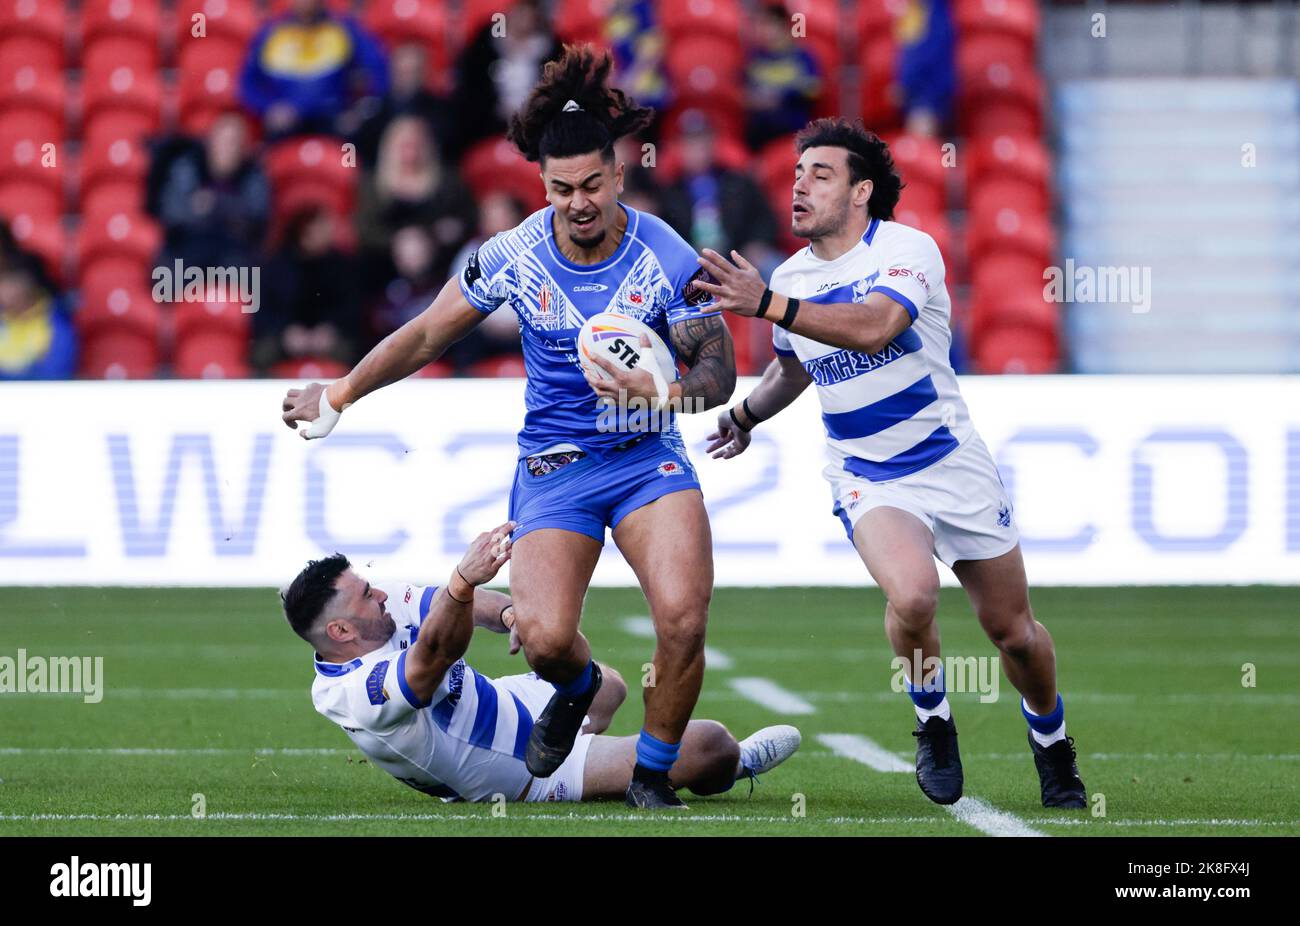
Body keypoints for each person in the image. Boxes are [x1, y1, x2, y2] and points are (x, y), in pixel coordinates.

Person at [280, 46, 737, 810]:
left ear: (619, 175)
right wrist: (343, 392)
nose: (578, 201)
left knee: (684, 620)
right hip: (557, 466)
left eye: (593, 184)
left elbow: (717, 380)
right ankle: (579, 687)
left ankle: (652, 775)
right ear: (542, 185)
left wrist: (660, 390)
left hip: (646, 454)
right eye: (561, 189)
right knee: (548, 638)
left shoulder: (666, 255)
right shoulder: (517, 254)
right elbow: (428, 334)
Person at [697, 118, 1087, 810]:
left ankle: (1051, 740)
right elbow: (795, 371)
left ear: (861, 192)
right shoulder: (790, 277)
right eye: (796, 173)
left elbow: (877, 324)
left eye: (821, 174)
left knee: (1014, 634)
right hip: (867, 473)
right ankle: (934, 721)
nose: (799, 185)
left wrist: (764, 303)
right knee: (911, 595)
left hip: (951, 463)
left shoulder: (907, 250)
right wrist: (745, 416)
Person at [281, 532, 801, 805]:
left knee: (609, 684)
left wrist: (509, 614)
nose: (379, 593)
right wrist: (463, 581)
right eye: (366, 596)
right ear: (341, 634)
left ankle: (593, 742)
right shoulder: (350, 693)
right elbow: (434, 654)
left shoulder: (375, 609)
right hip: (512, 772)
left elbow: (455, 603)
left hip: (505, 702)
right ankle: (731, 769)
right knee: (710, 744)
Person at [239, 0, 389, 138]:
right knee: (269, 157)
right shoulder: (271, 34)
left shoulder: (345, 30)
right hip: (285, 127)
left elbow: (379, 71)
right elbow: (247, 86)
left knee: (349, 155)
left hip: (334, 122)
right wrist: (269, 108)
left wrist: (358, 113)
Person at [152, 111, 270, 273]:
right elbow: (172, 212)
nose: (226, 149)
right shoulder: (188, 166)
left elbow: (256, 217)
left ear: (243, 148)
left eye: (233, 143)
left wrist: (214, 203)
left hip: (233, 253)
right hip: (188, 249)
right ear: (210, 142)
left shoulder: (253, 174)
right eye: (222, 141)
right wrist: (228, 211)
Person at [253, 205, 361, 373]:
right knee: (261, 354)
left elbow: (352, 308)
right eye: (318, 229)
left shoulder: (342, 265)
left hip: (329, 337)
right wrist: (285, 332)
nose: (327, 233)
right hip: (285, 336)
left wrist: (330, 329)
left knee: (355, 354)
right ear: (303, 234)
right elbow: (263, 311)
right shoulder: (276, 265)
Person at [744, 2, 822, 150]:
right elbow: (744, 95)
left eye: (772, 25)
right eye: (763, 26)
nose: (767, 31)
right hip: (761, 131)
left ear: (785, 26)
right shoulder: (755, 59)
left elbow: (815, 89)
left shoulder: (802, 56)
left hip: (793, 126)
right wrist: (758, 100)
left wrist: (782, 95)